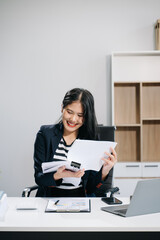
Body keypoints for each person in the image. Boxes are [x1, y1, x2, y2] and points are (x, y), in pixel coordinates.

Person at [34, 88, 117, 197]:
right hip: (50, 197)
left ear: (86, 117)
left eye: (80, 115)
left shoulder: (91, 139)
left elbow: (91, 188)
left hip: (79, 197)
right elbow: (39, 178)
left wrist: (104, 171)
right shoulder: (45, 134)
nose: (73, 119)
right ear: (62, 108)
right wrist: (57, 175)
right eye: (69, 112)